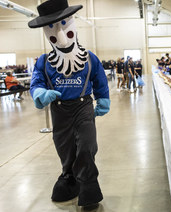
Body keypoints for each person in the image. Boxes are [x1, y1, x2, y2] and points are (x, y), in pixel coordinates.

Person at [28, 0, 110, 209]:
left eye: (63, 25)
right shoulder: (44, 61)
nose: (61, 34)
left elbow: (99, 79)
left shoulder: (89, 58)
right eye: (51, 28)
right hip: (59, 109)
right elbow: (36, 81)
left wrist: (103, 99)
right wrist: (40, 93)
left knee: (86, 146)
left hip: (83, 107)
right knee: (65, 149)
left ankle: (89, 189)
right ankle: (69, 176)